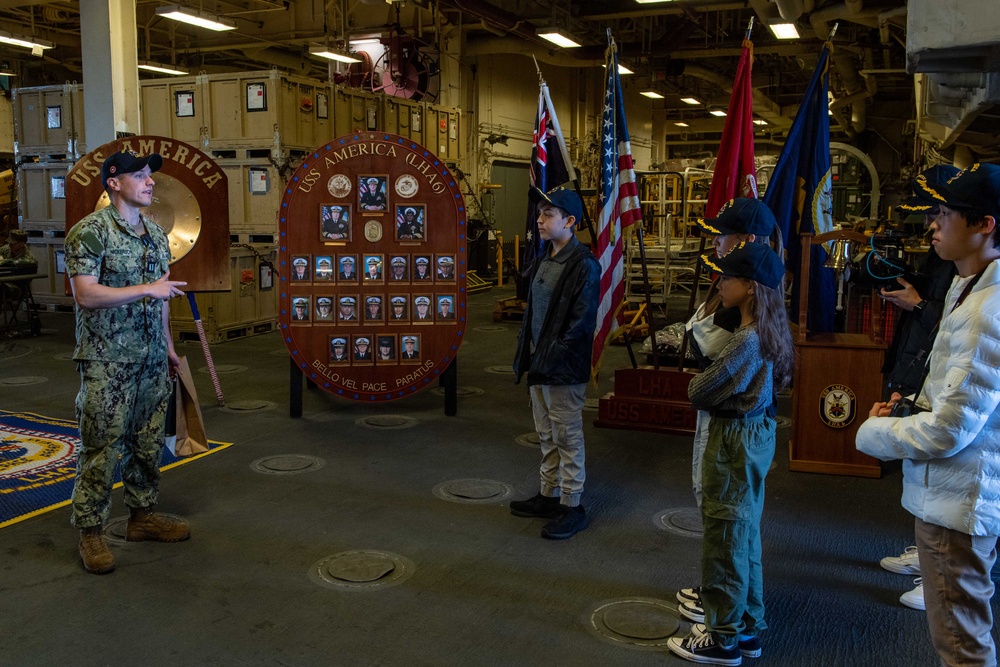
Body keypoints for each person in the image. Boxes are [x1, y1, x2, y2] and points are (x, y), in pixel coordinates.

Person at [857, 162, 1000, 667]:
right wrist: (906, 409)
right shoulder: (971, 287)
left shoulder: (985, 311)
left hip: (956, 501)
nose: (933, 224)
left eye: (944, 214)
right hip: (952, 493)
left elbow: (950, 429)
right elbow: (953, 398)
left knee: (961, 646)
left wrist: (878, 432)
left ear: (985, 225)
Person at [667, 241, 794, 665]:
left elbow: (699, 390)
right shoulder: (771, 330)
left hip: (733, 440)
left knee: (724, 537)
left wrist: (699, 379)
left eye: (728, 277)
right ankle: (748, 628)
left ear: (752, 287)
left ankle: (723, 638)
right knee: (745, 536)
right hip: (753, 435)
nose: (719, 283)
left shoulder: (746, 340)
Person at [64, 149, 189, 575]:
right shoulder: (90, 233)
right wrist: (145, 291)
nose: (150, 181)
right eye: (140, 175)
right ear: (114, 183)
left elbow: (162, 297)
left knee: (148, 442)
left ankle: (142, 517)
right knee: (101, 447)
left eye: (150, 175)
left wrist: (169, 347)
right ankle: (91, 532)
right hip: (108, 361)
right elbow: (86, 294)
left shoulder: (155, 234)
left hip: (152, 359)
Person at [676, 197, 781, 622]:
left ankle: (726, 617)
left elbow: (704, 385)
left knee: (727, 523)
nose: (717, 244)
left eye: (725, 236)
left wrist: (703, 376)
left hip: (734, 424)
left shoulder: (749, 330)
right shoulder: (754, 307)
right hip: (736, 421)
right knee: (730, 522)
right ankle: (739, 611)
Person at [875, 165, 960, 611]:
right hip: (917, 369)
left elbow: (945, 326)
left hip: (941, 389)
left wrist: (919, 304)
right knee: (922, 480)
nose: (929, 225)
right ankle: (928, 557)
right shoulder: (949, 261)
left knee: (946, 482)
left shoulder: (982, 284)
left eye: (940, 214)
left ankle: (941, 572)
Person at [510, 186, 600, 541]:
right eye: (540, 214)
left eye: (549, 214)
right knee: (546, 435)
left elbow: (580, 325)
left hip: (562, 368)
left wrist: (552, 356)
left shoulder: (584, 266)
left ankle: (572, 505)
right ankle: (549, 495)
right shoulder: (545, 258)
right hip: (539, 365)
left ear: (571, 221)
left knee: (567, 437)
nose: (540, 219)